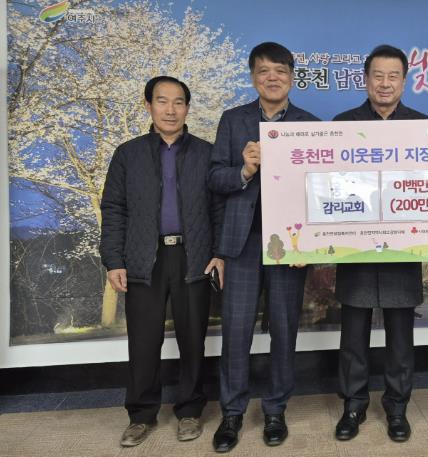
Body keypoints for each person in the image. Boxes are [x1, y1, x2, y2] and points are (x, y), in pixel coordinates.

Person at [209, 42, 319, 453]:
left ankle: (275, 410)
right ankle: (232, 413)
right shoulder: (233, 120)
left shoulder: (310, 124)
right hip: (242, 243)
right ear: (253, 77)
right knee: (236, 332)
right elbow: (214, 179)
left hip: (289, 245)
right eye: (263, 71)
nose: (272, 78)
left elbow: (319, 189)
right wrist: (245, 169)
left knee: (284, 330)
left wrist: (309, 245)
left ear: (292, 77)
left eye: (280, 71)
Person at [100, 76, 221, 447]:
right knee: (143, 341)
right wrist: (113, 260)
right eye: (162, 101)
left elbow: (219, 207)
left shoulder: (206, 153)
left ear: (187, 107)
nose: (171, 110)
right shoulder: (128, 154)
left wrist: (219, 253)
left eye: (178, 102)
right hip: (143, 258)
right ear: (148, 105)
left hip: (193, 256)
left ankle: (190, 410)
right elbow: (113, 208)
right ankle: (141, 415)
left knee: (192, 339)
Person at [332, 44, 428, 443]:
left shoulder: (422, 126)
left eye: (393, 76)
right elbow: (330, 186)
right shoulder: (342, 124)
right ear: (365, 79)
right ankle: (353, 406)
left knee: (401, 338)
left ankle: (397, 408)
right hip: (355, 248)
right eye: (378, 75)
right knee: (352, 336)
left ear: (404, 81)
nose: (385, 83)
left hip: (404, 250)